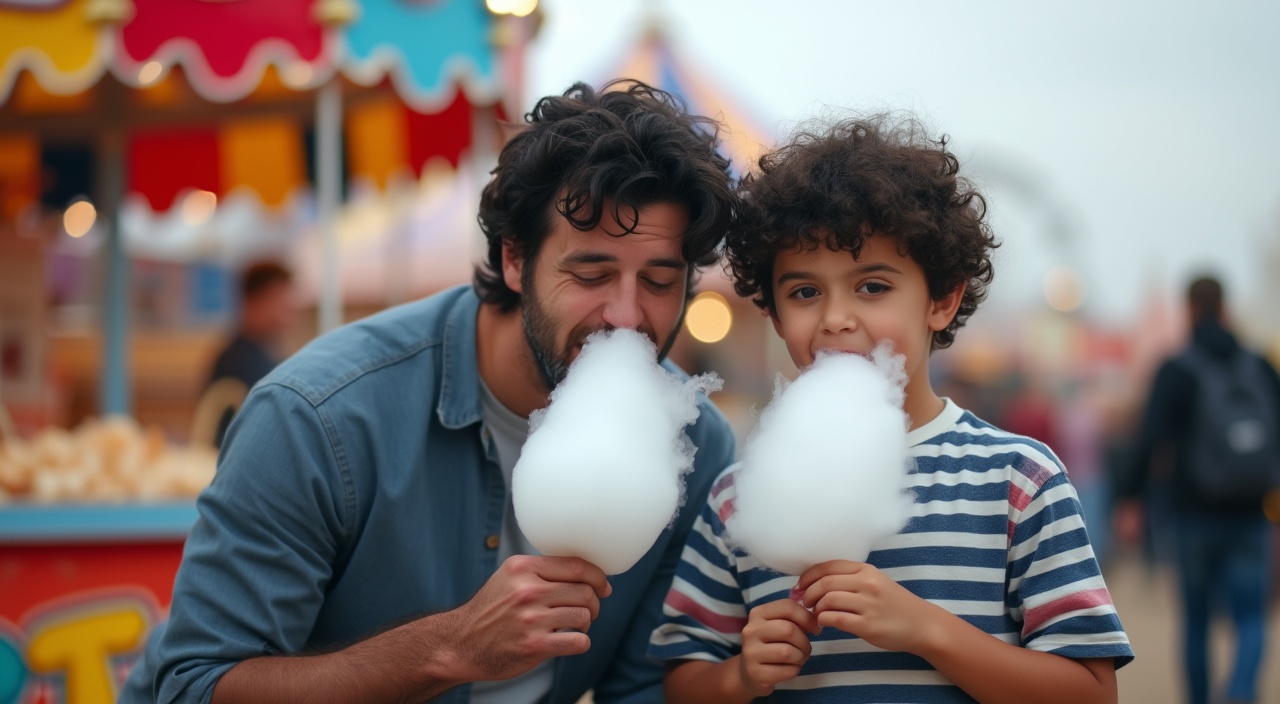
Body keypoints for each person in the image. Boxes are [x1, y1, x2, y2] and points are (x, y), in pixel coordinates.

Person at [121, 80, 738, 704]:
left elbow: (641, 690)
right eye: (592, 272)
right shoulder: (319, 418)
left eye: (660, 281)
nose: (627, 317)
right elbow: (195, 686)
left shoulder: (693, 446)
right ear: (516, 258)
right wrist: (450, 649)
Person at [650, 116, 1133, 702]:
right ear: (775, 316)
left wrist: (928, 630)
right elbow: (681, 686)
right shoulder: (736, 500)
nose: (835, 317)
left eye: (872, 286)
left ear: (942, 299)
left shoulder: (1019, 481)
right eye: (804, 292)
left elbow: (1091, 691)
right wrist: (742, 674)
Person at [1115, 275, 1280, 704]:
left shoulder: (1176, 371)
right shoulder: (1260, 365)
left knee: (1197, 622)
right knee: (1251, 616)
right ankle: (1241, 691)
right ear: (1225, 309)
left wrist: (1129, 499)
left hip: (1193, 515)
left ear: (1188, 310)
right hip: (1251, 513)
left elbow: (1150, 439)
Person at [205, 260, 295, 448]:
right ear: (253, 301)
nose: (287, 309)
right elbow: (224, 438)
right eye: (277, 299)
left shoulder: (266, 355)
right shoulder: (236, 362)